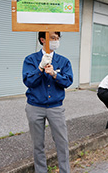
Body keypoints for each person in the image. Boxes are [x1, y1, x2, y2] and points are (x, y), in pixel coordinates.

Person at [22, 32, 73, 173]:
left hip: (56, 107)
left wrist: (55, 74)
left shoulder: (63, 61)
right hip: (35, 107)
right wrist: (39, 68)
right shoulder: (30, 60)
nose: (56, 41)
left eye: (57, 38)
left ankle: (65, 170)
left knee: (62, 142)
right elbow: (28, 82)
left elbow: (68, 81)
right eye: (52, 38)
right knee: (38, 144)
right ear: (42, 40)